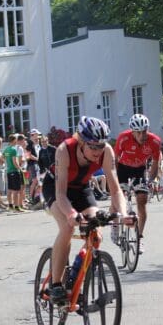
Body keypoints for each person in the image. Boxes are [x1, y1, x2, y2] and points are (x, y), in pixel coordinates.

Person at [42, 117, 128, 304]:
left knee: (96, 231)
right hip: (57, 189)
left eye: (101, 145)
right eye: (93, 146)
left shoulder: (106, 152)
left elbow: (115, 189)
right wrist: (72, 214)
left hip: (81, 188)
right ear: (81, 141)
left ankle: (76, 273)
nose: (98, 151)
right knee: (67, 227)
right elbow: (61, 194)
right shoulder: (64, 150)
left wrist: (124, 215)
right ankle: (56, 285)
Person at [113, 114, 162, 251]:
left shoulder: (155, 141)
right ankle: (115, 227)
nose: (142, 135)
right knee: (118, 199)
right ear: (132, 131)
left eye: (144, 131)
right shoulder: (123, 138)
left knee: (142, 201)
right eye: (138, 132)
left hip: (139, 169)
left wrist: (150, 181)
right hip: (123, 168)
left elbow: (155, 164)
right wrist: (114, 180)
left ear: (148, 129)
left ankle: (139, 237)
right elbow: (114, 159)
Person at [3, 134, 24, 212]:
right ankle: (17, 207)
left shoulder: (6, 149)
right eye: (16, 140)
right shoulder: (13, 150)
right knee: (16, 190)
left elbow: (2, 158)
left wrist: (7, 164)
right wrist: (20, 169)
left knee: (10, 189)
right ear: (13, 140)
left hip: (8, 171)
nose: (16, 142)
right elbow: (15, 162)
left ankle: (11, 205)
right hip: (14, 171)